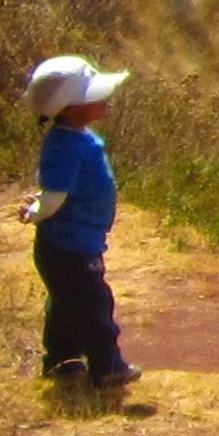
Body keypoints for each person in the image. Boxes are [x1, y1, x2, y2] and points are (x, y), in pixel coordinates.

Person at [21, 53, 137, 390]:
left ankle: (63, 360)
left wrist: (41, 204)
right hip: (69, 246)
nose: (104, 100)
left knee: (66, 302)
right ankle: (107, 366)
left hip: (76, 241)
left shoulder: (77, 138)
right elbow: (55, 195)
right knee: (92, 305)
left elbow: (58, 190)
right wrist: (36, 211)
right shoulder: (65, 146)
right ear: (70, 109)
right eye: (93, 97)